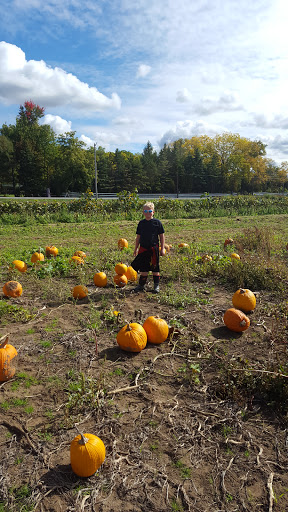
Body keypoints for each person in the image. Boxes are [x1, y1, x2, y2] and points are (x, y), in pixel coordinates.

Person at [131, 202, 165, 293]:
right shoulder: (141, 223)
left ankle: (156, 286)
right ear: (143, 212)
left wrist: (163, 248)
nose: (147, 213)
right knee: (143, 269)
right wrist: (135, 249)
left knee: (155, 269)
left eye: (149, 211)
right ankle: (141, 285)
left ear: (153, 212)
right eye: (145, 211)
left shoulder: (157, 223)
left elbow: (161, 236)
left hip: (154, 249)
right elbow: (138, 237)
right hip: (143, 248)